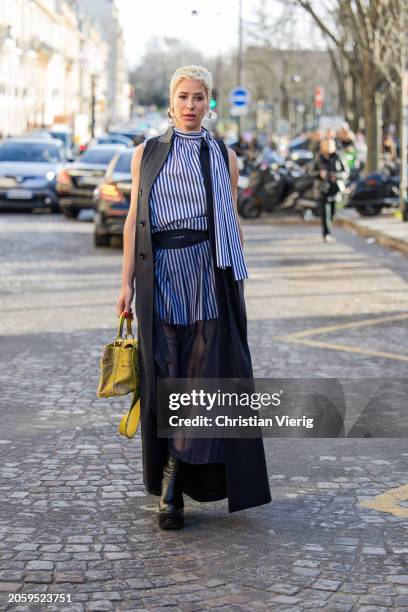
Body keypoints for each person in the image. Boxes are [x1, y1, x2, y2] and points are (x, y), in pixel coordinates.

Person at [116, 65, 271, 530]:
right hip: (159, 274)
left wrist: (238, 278)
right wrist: (125, 283)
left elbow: (232, 219)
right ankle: (170, 469)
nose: (190, 105)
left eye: (199, 97)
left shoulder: (222, 154)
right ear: (171, 99)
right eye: (183, 96)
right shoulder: (145, 153)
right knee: (166, 376)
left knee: (199, 380)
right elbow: (133, 220)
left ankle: (174, 484)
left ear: (209, 102)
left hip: (207, 273)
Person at [314, 137, 348, 242]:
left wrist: (337, 176)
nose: (328, 147)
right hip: (323, 188)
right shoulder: (318, 157)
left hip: (335, 188)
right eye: (326, 145)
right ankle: (326, 234)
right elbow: (311, 172)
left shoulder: (338, 157)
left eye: (330, 145)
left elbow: (346, 172)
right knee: (325, 213)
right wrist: (320, 174)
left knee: (333, 212)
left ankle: (329, 228)